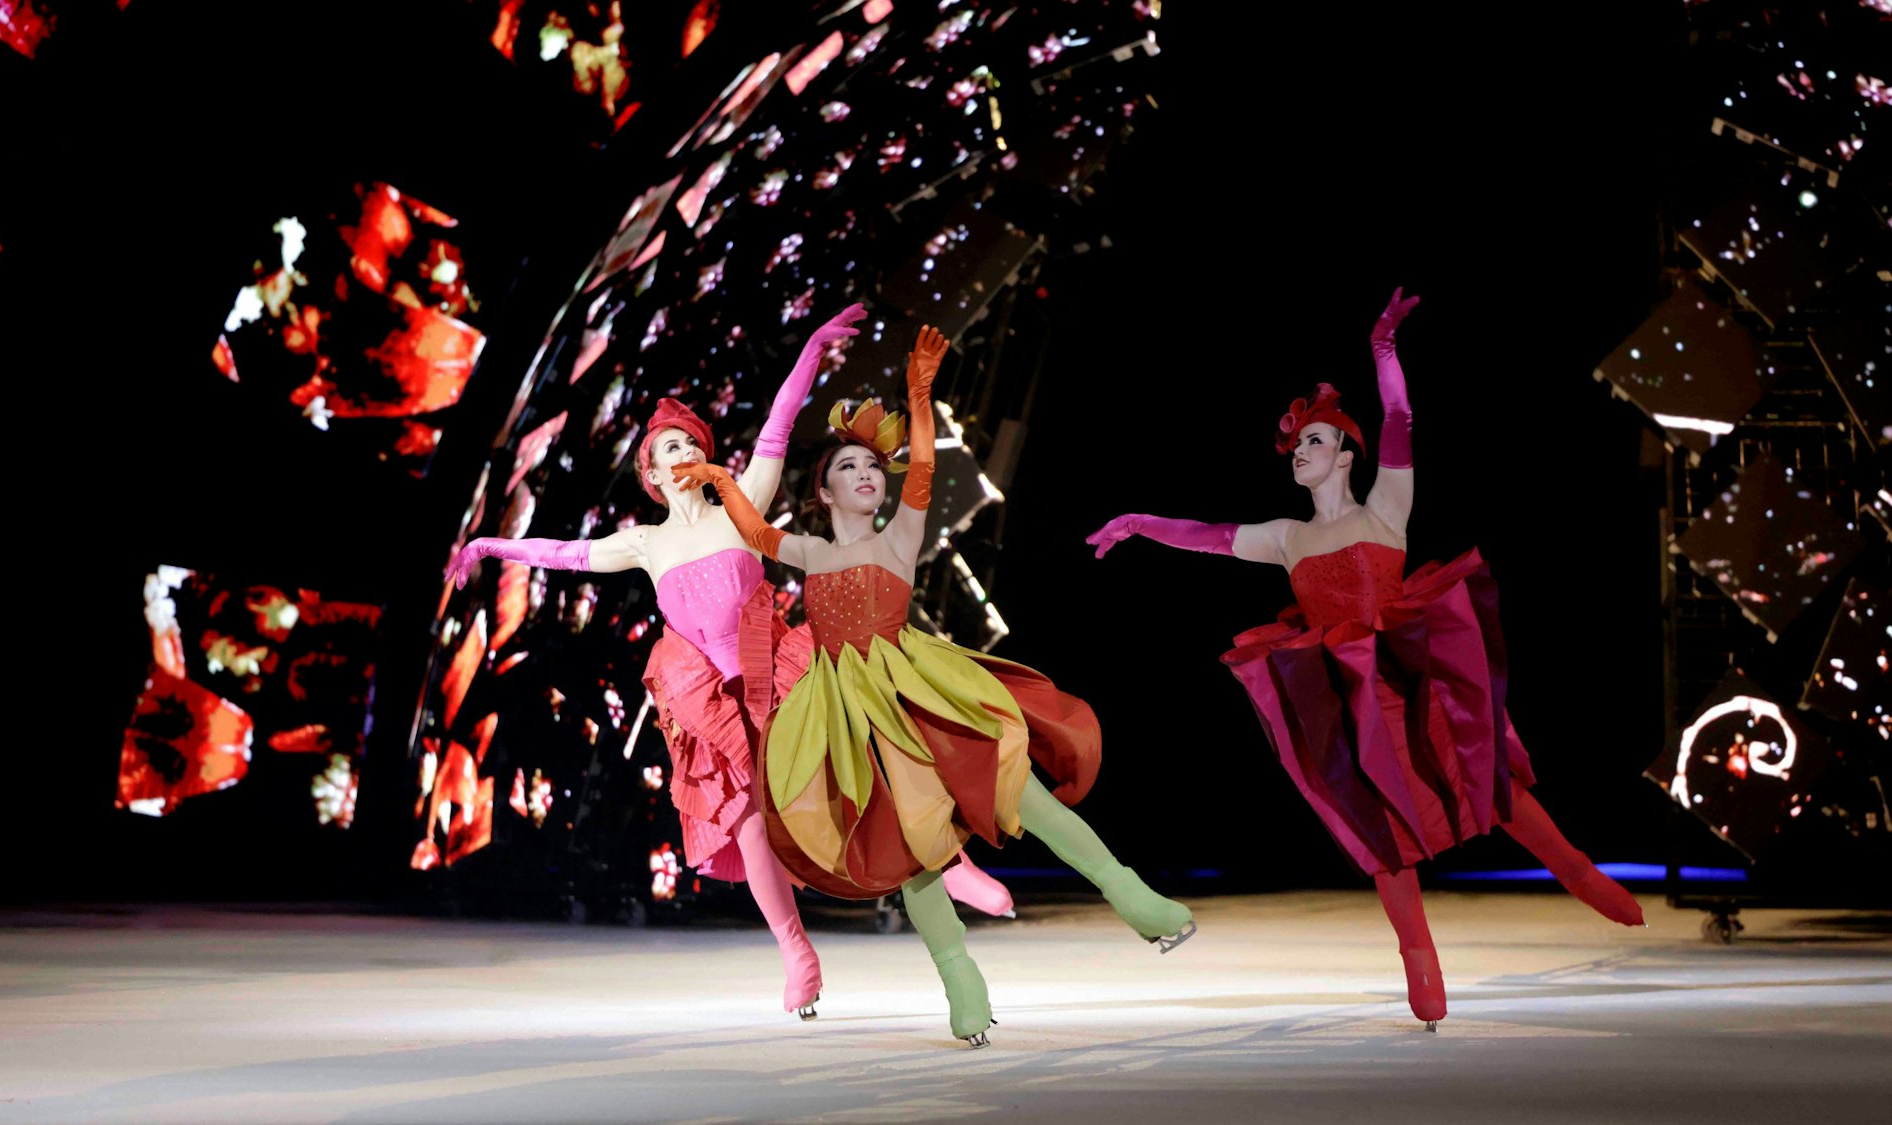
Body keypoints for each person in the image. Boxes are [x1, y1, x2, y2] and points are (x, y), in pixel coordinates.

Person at [1085, 287, 1644, 1030]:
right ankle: (1419, 956)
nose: (1299, 453)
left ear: (1346, 452)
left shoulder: (1386, 508)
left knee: (1485, 781)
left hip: (1411, 675)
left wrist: (1384, 349)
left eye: (1314, 442)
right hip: (1349, 694)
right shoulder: (1287, 536)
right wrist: (1139, 523)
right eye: (1296, 446)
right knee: (1376, 821)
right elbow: (1211, 535)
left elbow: (1403, 420)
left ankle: (1577, 869)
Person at [448, 305, 1014, 1019]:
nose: (681, 455)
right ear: (651, 470)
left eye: (691, 444)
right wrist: (489, 547)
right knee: (748, 821)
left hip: (778, 668)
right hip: (712, 695)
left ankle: (950, 865)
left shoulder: (743, 503)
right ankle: (796, 954)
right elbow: (562, 554)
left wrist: (809, 348)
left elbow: (777, 427)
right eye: (668, 449)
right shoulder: (644, 542)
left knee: (863, 766)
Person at [671, 324, 1195, 1048]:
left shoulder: (898, 536)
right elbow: (757, 533)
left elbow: (921, 463)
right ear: (823, 490)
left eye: (870, 467)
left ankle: (1133, 895)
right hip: (849, 717)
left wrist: (920, 392)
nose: (865, 474)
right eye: (848, 466)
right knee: (908, 852)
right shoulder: (810, 550)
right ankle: (959, 975)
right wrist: (724, 483)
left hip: (919, 689)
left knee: (1022, 793)